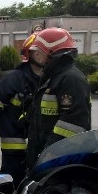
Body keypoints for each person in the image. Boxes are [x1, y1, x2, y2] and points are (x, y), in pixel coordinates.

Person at [0, 33, 42, 188]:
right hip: (14, 141)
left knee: (34, 181)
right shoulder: (16, 77)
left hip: (37, 143)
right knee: (10, 178)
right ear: (31, 54)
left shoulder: (50, 78)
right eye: (38, 51)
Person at [26, 27, 91, 170]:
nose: (36, 55)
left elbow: (73, 124)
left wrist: (50, 152)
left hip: (61, 160)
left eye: (39, 52)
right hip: (50, 157)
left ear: (53, 53)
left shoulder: (71, 79)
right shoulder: (54, 77)